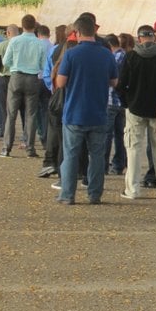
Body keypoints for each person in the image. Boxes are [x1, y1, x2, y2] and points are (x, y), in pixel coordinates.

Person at [56, 14, 118, 205]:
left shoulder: (71, 54)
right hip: (98, 112)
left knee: (71, 155)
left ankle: (67, 195)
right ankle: (95, 194)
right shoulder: (107, 54)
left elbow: (60, 82)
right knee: (97, 156)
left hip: (74, 112)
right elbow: (114, 81)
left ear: (78, 32)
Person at [118, 25, 156, 201]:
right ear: (154, 37)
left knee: (134, 148)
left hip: (135, 108)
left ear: (139, 38)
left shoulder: (131, 57)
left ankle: (132, 190)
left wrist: (126, 102)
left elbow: (121, 84)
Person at [0, 14, 48, 158]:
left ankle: (6, 147)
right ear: (35, 26)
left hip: (16, 77)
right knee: (31, 115)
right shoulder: (39, 43)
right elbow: (43, 65)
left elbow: (6, 62)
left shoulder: (14, 41)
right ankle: (30, 148)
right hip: (32, 79)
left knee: (11, 114)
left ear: (22, 25)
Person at [105, 34, 127, 175]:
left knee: (106, 135)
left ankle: (103, 164)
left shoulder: (112, 58)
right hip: (123, 103)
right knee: (121, 135)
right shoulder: (127, 55)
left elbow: (110, 79)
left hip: (111, 99)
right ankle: (119, 164)